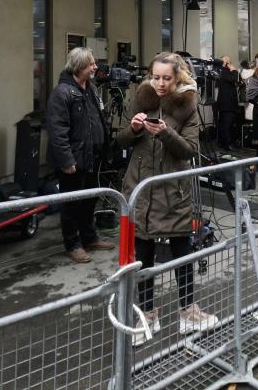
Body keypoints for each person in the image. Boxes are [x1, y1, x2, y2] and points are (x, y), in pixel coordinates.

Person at [116, 52, 218, 343]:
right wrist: (133, 130)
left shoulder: (188, 106)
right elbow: (119, 141)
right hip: (140, 189)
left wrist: (165, 133)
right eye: (156, 77)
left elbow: (188, 150)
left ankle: (188, 312)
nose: (160, 84)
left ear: (178, 78)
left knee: (181, 253)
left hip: (173, 192)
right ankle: (148, 315)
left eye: (166, 78)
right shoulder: (141, 100)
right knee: (143, 257)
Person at [46, 47, 114, 263]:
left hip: (92, 157)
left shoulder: (91, 89)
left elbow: (99, 119)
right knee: (71, 204)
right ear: (79, 66)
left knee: (90, 201)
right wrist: (66, 160)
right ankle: (73, 243)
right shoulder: (62, 93)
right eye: (91, 64)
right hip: (74, 160)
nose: (95, 67)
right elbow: (57, 131)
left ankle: (90, 237)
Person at [215, 55, 240, 151]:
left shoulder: (224, 72)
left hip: (227, 103)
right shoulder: (223, 71)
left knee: (224, 124)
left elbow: (238, 80)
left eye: (230, 62)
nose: (231, 64)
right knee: (226, 124)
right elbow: (233, 78)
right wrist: (234, 70)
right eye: (229, 63)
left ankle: (223, 143)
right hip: (227, 104)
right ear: (225, 63)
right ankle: (227, 144)